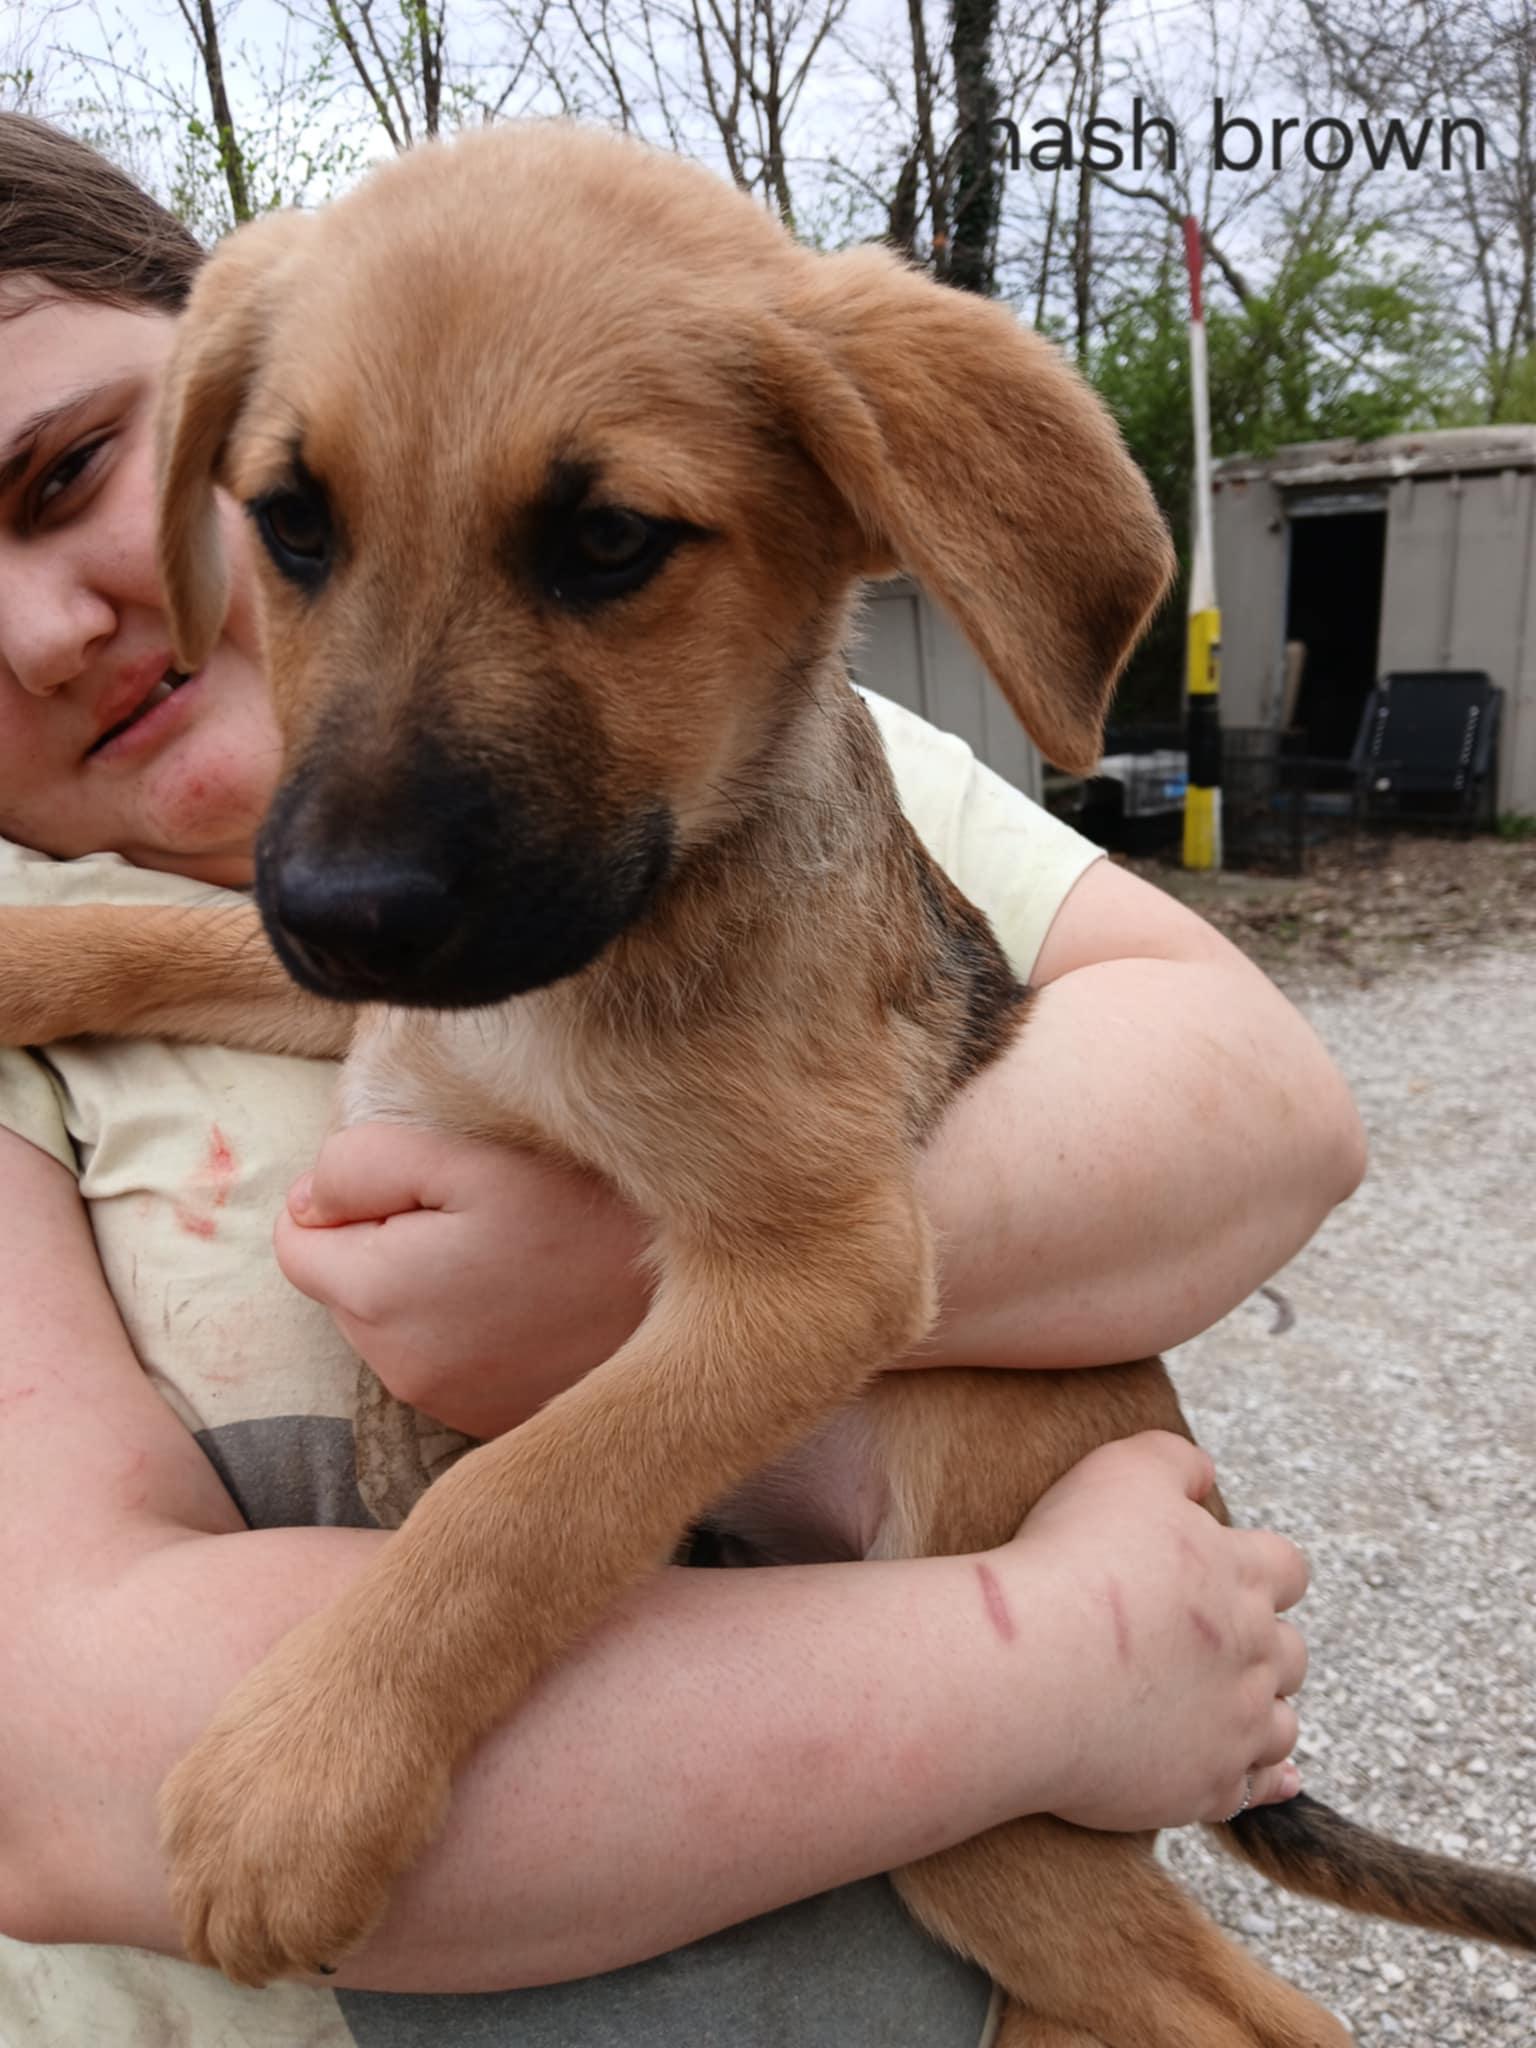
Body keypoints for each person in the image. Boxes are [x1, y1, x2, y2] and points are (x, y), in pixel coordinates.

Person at [0, 111, 1361, 2048]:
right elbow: (53, 1765)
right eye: (310, 528)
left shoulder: (795, 759)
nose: (36, 626)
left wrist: (666, 1275)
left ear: (190, 414)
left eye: (605, 545)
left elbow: (1275, 1109)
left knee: (1072, 1960)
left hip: (941, 1555)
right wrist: (1055, 1660)